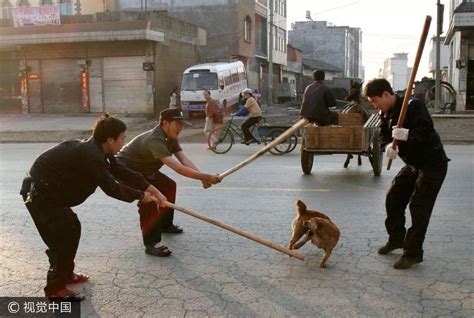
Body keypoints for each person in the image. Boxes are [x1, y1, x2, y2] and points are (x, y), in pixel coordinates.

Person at [20, 113, 167, 300]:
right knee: (62, 237)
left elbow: (120, 171)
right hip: (39, 195)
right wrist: (141, 196)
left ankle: (66, 274)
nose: (124, 143)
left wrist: (148, 186)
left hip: (52, 194)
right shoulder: (92, 156)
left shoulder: (101, 151)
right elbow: (112, 187)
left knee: (73, 227)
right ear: (110, 139)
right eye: (122, 138)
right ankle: (55, 289)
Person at [364, 78, 449, 269]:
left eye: (375, 100)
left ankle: (413, 253)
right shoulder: (385, 114)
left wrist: (407, 135)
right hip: (413, 165)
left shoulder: (413, 106)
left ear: (386, 94)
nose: (374, 104)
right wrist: (388, 147)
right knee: (393, 198)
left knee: (419, 207)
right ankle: (396, 239)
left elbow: (426, 132)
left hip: (432, 164)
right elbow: (384, 137)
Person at [116, 108, 222, 257]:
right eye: (177, 123)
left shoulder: (171, 137)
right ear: (165, 123)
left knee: (169, 186)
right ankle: (151, 244)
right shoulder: (155, 139)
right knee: (150, 199)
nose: (181, 127)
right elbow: (178, 168)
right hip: (127, 170)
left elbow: (184, 160)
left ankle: (166, 224)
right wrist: (206, 176)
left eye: (182, 124)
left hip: (146, 170)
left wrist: (203, 178)